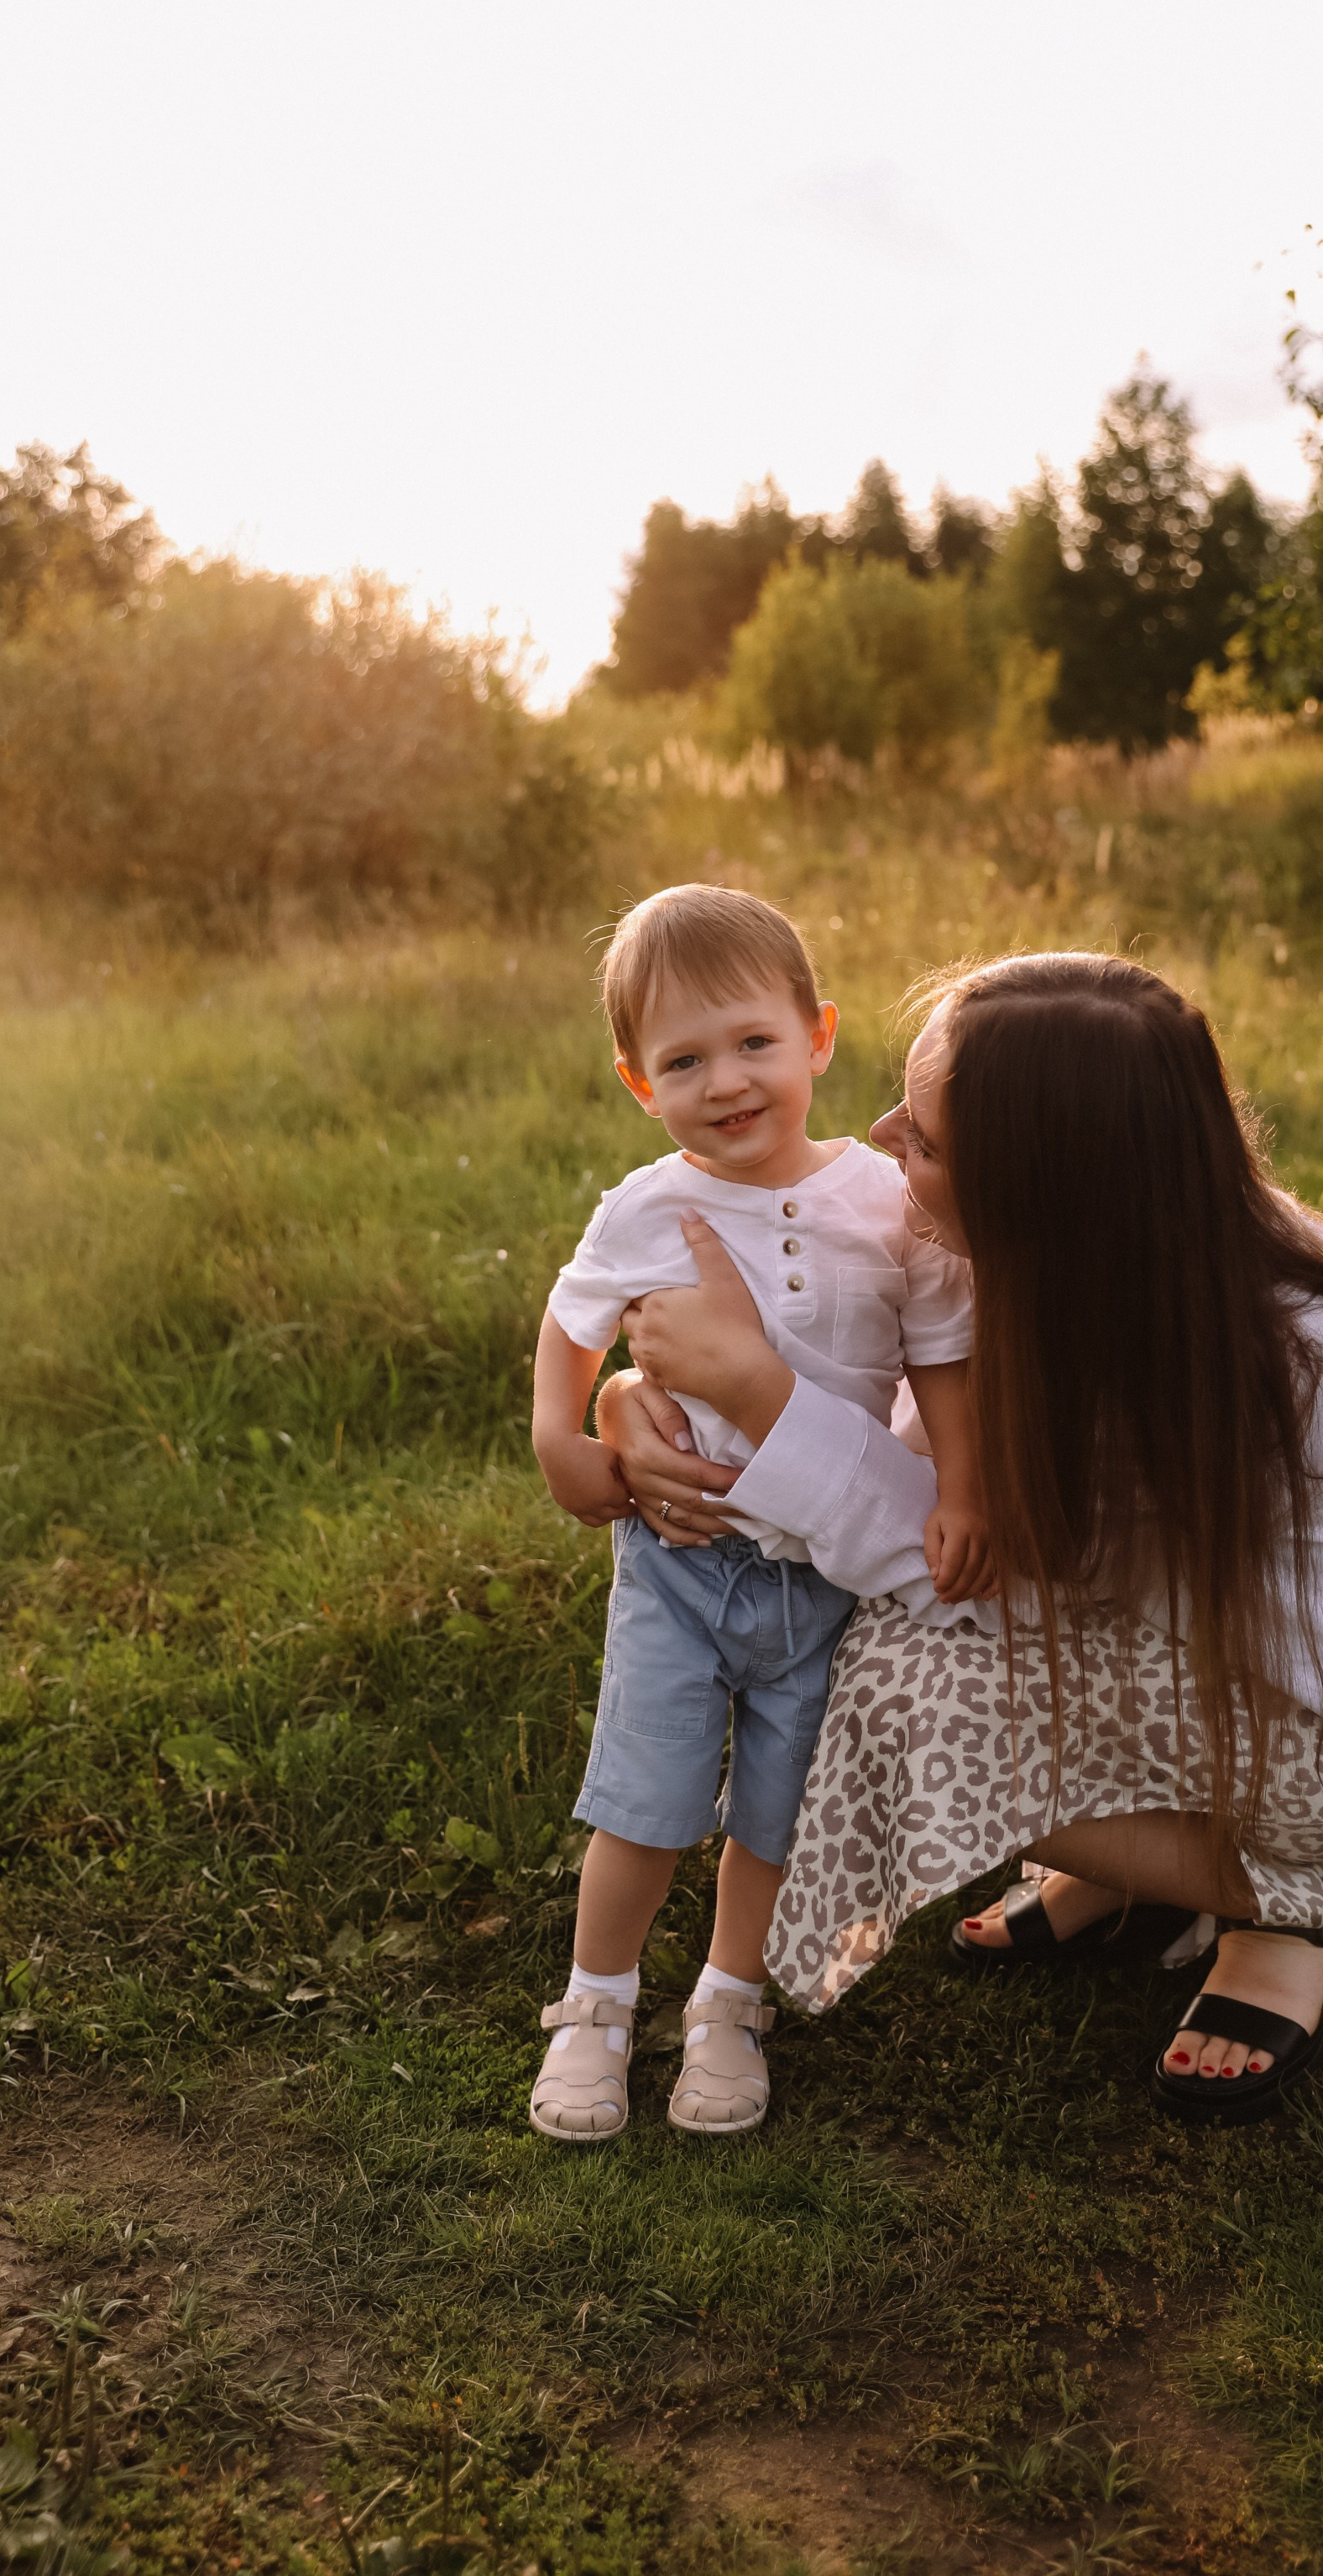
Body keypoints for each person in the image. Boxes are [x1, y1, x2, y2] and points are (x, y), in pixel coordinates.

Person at [597, 950, 1323, 2128]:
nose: (883, 1136)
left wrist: (755, 1397)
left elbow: (946, 1563)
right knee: (869, 1629)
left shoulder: (1227, 1359)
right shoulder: (1131, 1247)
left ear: (1037, 1188)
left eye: (927, 1141)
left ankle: (1293, 1904)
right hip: (1242, 1654)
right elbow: (919, 1453)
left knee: (875, 1684)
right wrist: (645, 1399)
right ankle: (1138, 1871)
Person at [528, 884, 977, 2143]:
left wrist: (964, 1487)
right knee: (645, 1797)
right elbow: (571, 1319)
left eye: (754, 1043)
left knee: (777, 1811)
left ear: (818, 1038)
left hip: (823, 1577)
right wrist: (561, 1435)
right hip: (680, 1560)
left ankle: (730, 2001)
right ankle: (597, 2004)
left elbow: (941, 1355)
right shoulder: (647, 1206)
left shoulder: (885, 1202)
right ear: (639, 1083)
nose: (725, 1082)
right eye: (684, 1061)